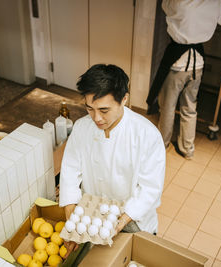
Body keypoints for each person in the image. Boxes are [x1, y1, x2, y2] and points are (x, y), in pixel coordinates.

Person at [59, 64, 165, 257]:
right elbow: (70, 170)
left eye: (104, 110)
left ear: (124, 99)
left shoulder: (146, 135)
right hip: (92, 216)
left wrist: (120, 222)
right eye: (89, 108)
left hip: (133, 219)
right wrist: (71, 215)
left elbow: (150, 189)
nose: (96, 118)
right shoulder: (82, 128)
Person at [146, 0, 221, 159]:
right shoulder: (216, 3)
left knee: (167, 107)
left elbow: (165, 5)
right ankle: (187, 149)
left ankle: (162, 145)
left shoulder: (178, 2)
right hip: (198, 63)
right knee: (190, 107)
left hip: (177, 64)